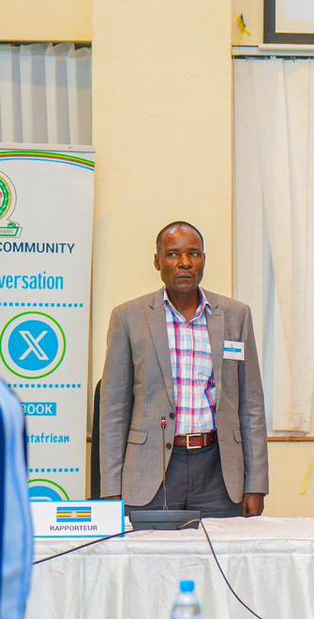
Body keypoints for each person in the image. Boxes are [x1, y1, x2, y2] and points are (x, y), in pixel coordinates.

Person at [100, 221, 268, 517]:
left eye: (194, 254)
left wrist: (255, 484)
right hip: (151, 473)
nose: (185, 263)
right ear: (157, 261)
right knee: (151, 561)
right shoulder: (128, 318)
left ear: (204, 260)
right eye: (173, 255)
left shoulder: (235, 316)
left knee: (219, 561)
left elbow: (251, 405)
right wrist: (111, 490)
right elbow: (114, 410)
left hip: (219, 472)